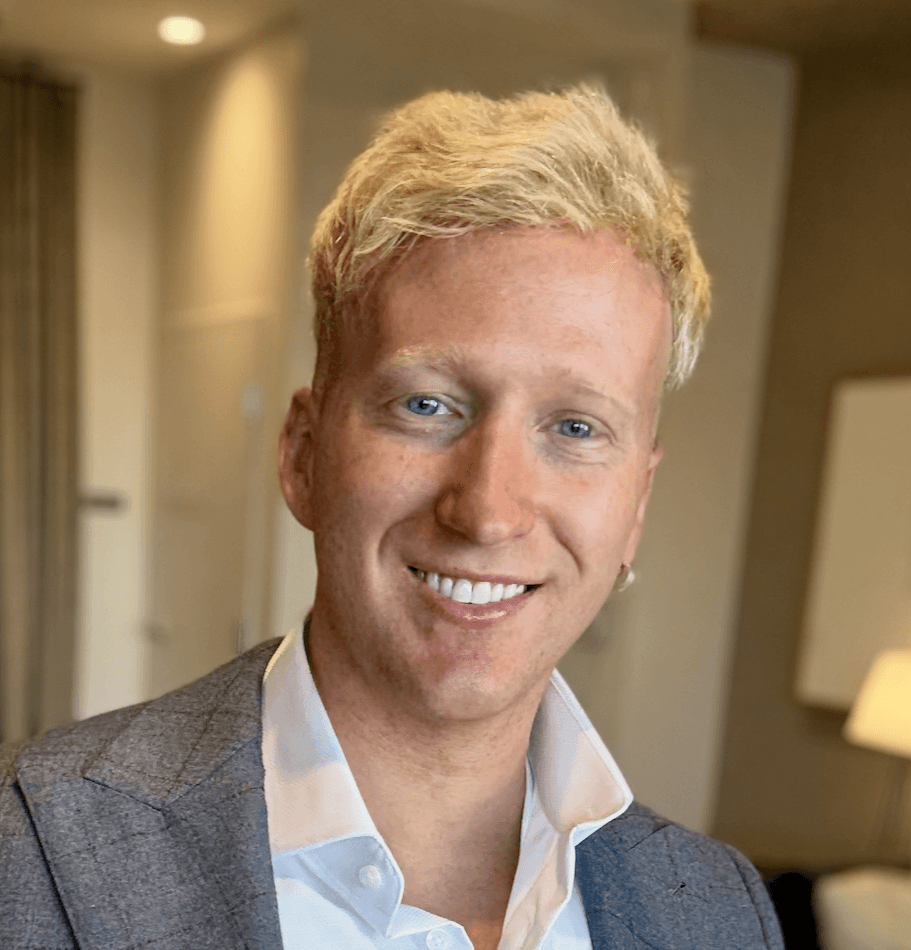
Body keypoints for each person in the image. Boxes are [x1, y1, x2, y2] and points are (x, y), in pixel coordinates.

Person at [0, 85, 783, 950]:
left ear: (636, 503)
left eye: (574, 427)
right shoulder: (26, 848)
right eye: (427, 406)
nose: (488, 511)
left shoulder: (720, 911)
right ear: (303, 455)